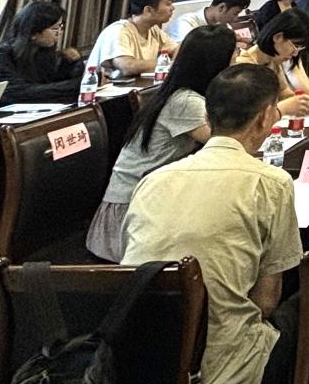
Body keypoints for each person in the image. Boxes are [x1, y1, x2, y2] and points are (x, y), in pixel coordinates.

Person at [121, 64, 302, 384]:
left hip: (134, 376)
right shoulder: (271, 182)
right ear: (266, 118)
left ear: (207, 115)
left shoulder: (153, 181)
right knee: (302, 304)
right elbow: (266, 301)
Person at [86, 26, 236, 261]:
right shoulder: (185, 101)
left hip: (159, 201)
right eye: (234, 54)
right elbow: (227, 143)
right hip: (131, 215)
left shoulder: (186, 94)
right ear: (217, 62)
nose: (237, 61)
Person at [0, 1, 84, 103]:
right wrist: (79, 84)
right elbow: (27, 94)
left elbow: (53, 82)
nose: (59, 33)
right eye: (54, 28)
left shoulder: (42, 54)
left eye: (61, 27)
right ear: (34, 32)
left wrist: (69, 64)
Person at [236, 9, 309, 116]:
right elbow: (252, 112)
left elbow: (285, 93)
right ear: (278, 37)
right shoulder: (243, 67)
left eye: (300, 48)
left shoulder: (273, 61)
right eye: (295, 45)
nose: (295, 53)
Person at [88, 0, 180, 80]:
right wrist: (169, 63)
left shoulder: (153, 30)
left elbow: (178, 50)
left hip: (137, 87)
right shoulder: (118, 31)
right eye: (168, 4)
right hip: (105, 89)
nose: (172, 8)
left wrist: (177, 59)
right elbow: (127, 66)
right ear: (148, 10)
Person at [170, 0, 251, 45]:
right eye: (235, 13)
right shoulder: (185, 23)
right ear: (222, 7)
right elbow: (188, 50)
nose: (236, 19)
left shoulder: (224, 26)